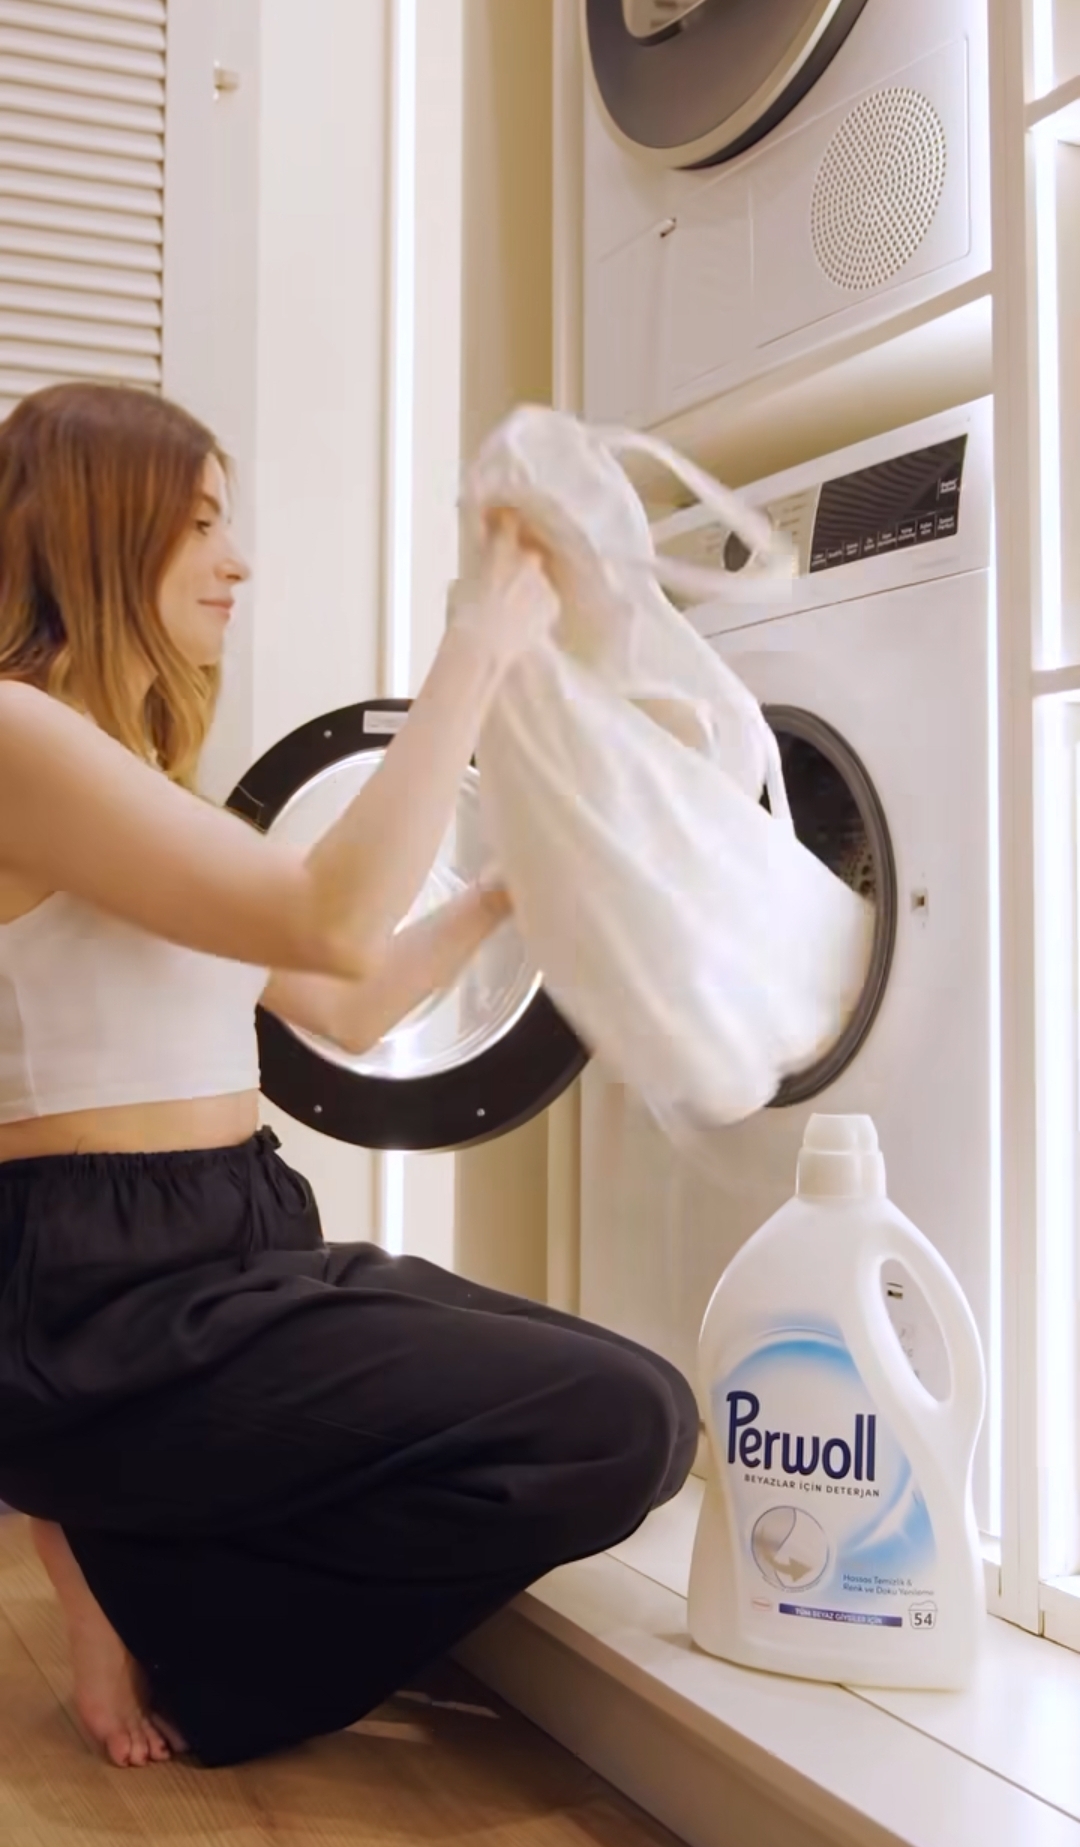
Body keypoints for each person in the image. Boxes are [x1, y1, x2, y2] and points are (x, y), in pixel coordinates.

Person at [0, 383, 698, 1771]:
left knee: (650, 1415)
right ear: (98, 527)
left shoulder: (140, 786)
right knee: (612, 1424)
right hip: (94, 1299)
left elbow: (353, 999)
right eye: (203, 524)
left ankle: (132, 1542)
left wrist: (504, 890)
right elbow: (327, 916)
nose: (239, 562)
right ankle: (149, 1591)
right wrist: (476, 646)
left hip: (240, 1240)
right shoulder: (13, 736)